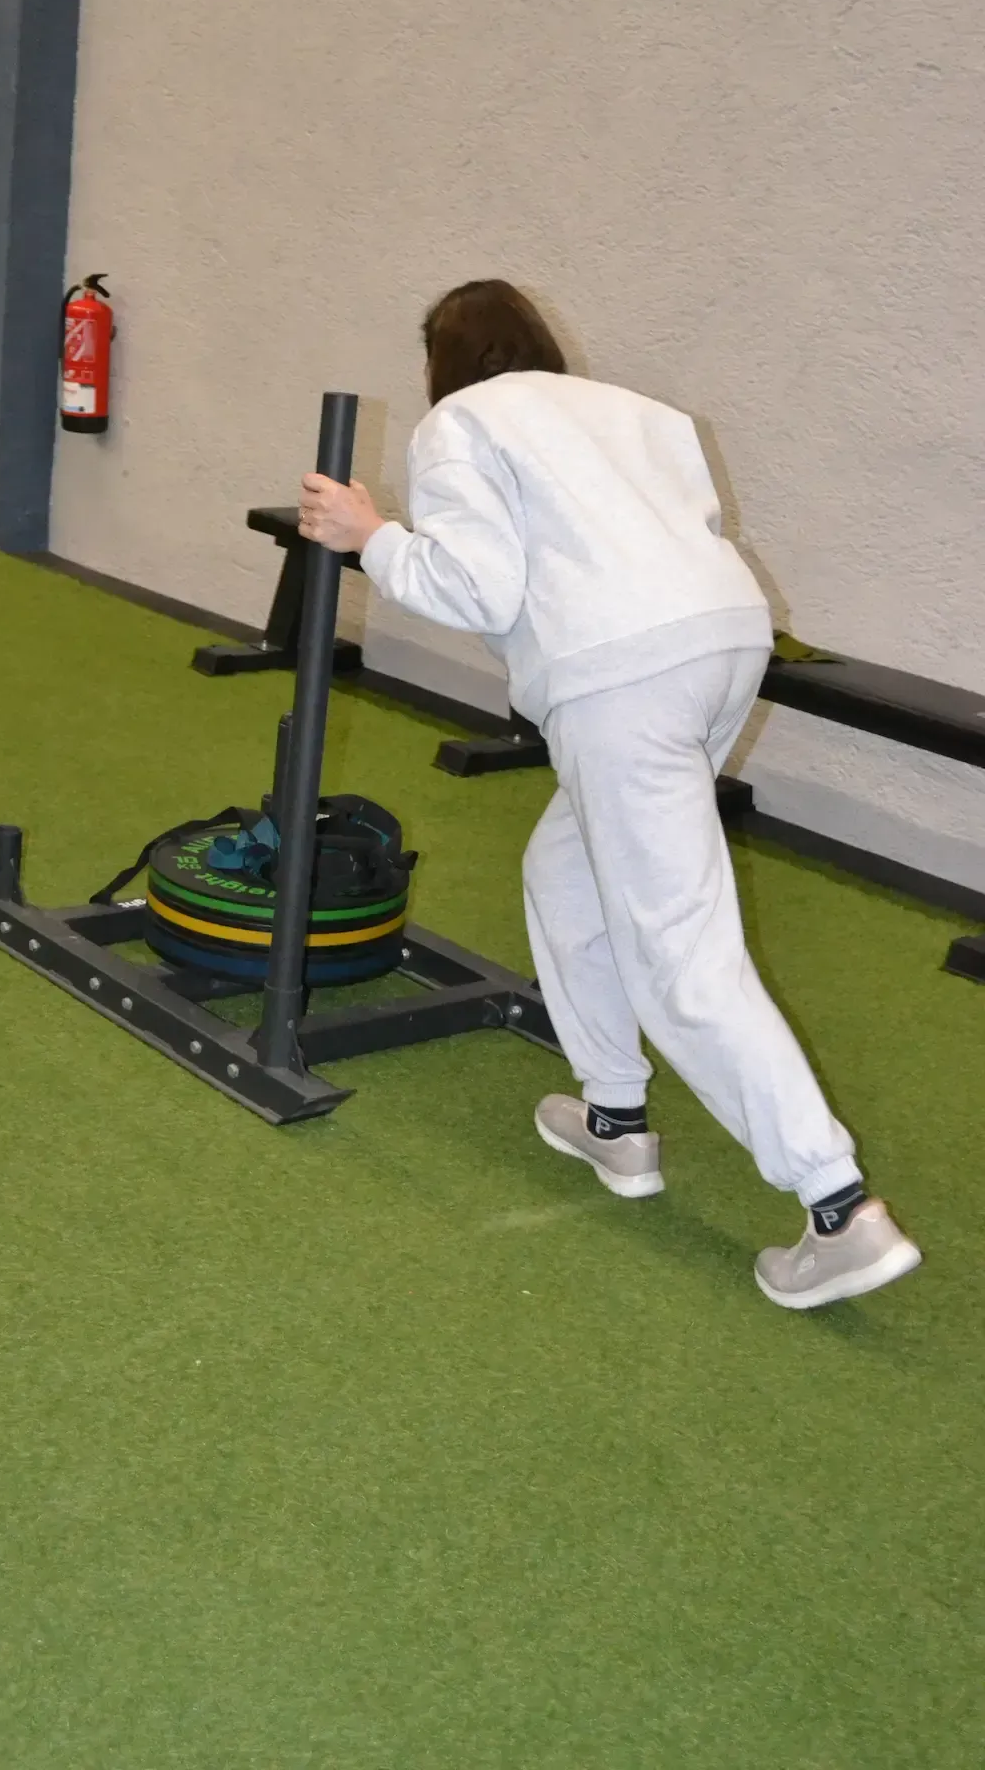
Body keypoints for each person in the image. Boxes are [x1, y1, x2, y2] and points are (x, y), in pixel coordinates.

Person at [299, 279, 921, 1310]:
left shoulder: (461, 420)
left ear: (438, 364)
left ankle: (837, 1207)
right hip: (722, 646)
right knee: (563, 869)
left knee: (676, 951)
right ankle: (613, 1122)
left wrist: (369, 535)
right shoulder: (635, 413)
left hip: (623, 681)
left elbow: (475, 589)